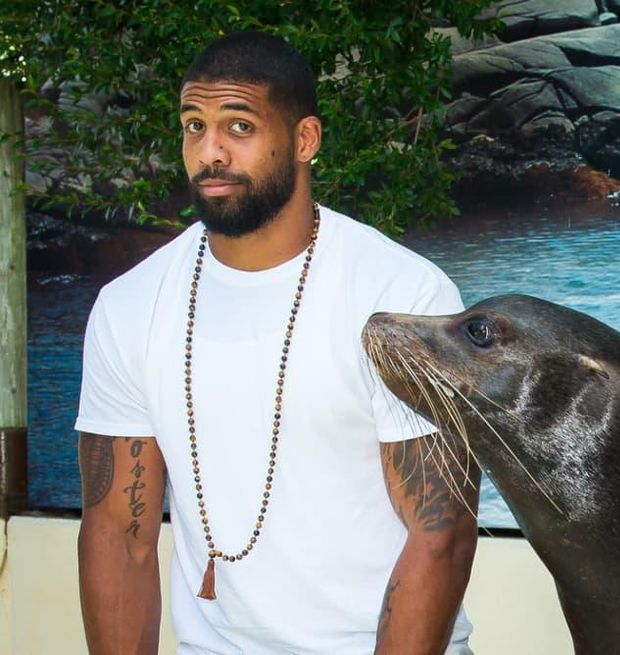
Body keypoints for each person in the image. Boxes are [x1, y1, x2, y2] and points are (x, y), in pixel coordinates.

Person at [75, 31, 480, 654]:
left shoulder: (402, 296)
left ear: (305, 140)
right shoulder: (130, 306)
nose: (209, 152)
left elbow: (441, 532)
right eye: (193, 125)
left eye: (239, 126)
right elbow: (117, 537)